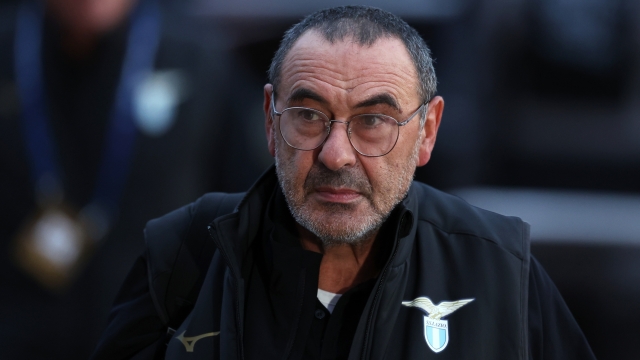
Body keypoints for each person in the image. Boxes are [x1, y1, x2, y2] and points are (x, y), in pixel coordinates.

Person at [92, 6, 596, 360]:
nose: (335, 154)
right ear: (271, 122)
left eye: (373, 121)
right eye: (309, 115)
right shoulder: (183, 253)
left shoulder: (501, 270)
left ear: (427, 131)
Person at [0, 0, 260, 358]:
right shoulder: (10, 47)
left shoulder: (198, 56)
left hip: (157, 337)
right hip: (21, 333)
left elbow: (245, 208)